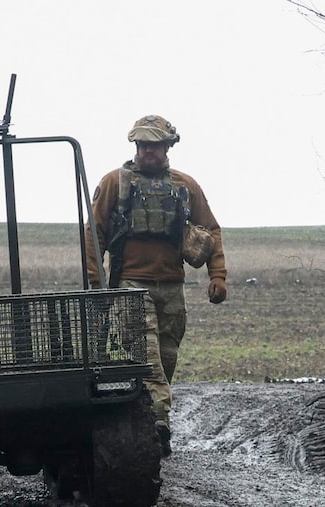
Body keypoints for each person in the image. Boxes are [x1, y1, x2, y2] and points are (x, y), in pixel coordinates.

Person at [85, 114, 227, 456]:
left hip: (172, 288)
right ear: (135, 147)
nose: (148, 151)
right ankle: (158, 423)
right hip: (130, 287)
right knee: (147, 361)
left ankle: (145, 419)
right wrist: (97, 284)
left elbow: (211, 230)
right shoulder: (114, 183)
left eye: (155, 145)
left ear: (167, 147)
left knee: (166, 358)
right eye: (142, 145)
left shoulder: (185, 186)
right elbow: (93, 235)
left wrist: (217, 276)